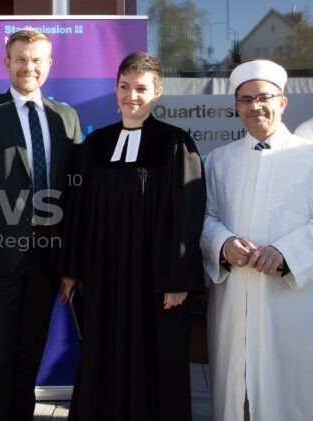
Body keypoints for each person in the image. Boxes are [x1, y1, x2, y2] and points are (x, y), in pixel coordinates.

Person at [60, 52, 206, 421]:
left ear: (157, 92)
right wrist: (72, 269)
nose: (132, 96)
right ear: (116, 88)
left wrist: (177, 277)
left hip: (154, 280)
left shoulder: (176, 143)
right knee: (102, 353)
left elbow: (187, 215)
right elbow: (77, 211)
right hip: (104, 276)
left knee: (155, 359)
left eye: (141, 88)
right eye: (125, 87)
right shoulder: (95, 145)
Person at [0, 29, 82, 420]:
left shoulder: (66, 117)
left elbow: (75, 197)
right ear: (7, 63)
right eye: (21, 59)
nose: (29, 66)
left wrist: (71, 265)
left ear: (49, 66)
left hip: (48, 261)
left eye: (37, 60)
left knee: (29, 359)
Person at [201, 59, 313, 421]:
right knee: (235, 394)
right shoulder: (218, 161)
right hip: (233, 298)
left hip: (291, 299)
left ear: (282, 102)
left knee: (290, 392)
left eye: (263, 97)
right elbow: (204, 218)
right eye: (245, 99)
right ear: (236, 108)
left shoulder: (309, 157)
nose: (254, 106)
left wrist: (285, 252)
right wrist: (223, 242)